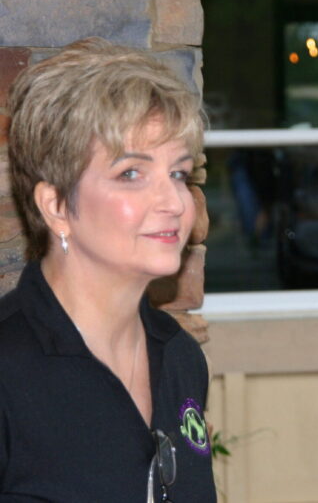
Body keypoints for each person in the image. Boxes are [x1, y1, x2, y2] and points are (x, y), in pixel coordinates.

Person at [0, 37, 216, 502]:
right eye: (131, 174)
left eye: (177, 173)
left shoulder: (180, 358)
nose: (174, 202)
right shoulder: (8, 369)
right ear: (56, 206)